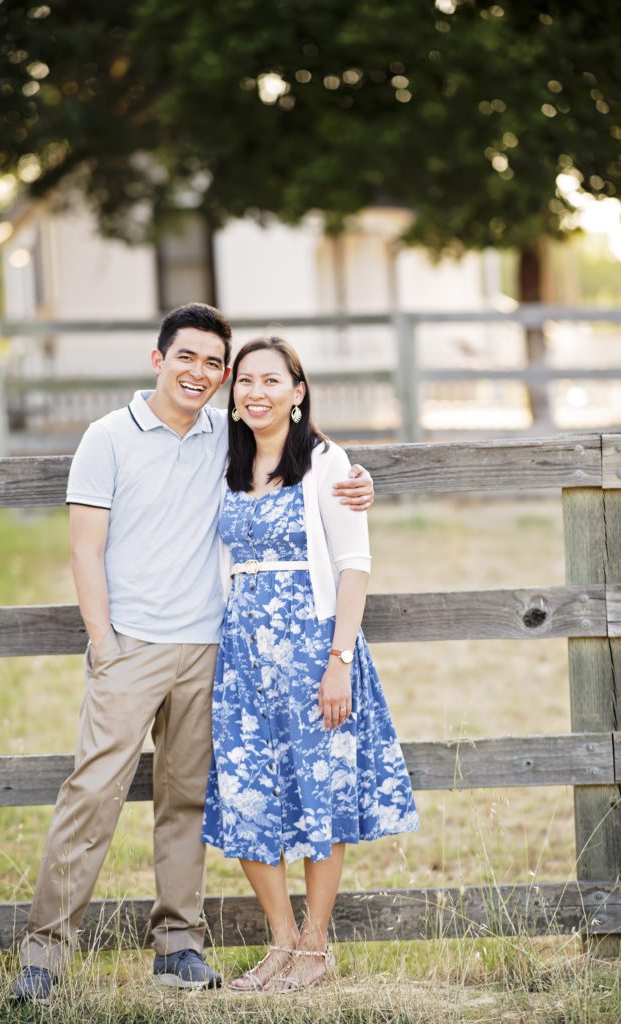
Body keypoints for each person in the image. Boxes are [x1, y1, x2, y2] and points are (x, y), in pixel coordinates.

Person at [11, 303, 374, 1003]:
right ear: (158, 359)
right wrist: (103, 644)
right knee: (91, 796)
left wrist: (360, 483)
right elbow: (84, 549)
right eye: (188, 358)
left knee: (186, 802)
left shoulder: (227, 434)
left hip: (213, 649)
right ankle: (44, 955)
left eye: (216, 364)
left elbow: (304, 461)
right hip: (133, 647)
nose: (202, 374)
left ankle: (178, 944)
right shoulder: (107, 438)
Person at [202, 336, 419, 991]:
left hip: (314, 657)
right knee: (247, 800)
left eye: (272, 380)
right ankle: (282, 943)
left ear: (299, 392)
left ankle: (317, 948)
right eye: (244, 381)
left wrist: (339, 662)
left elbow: (354, 565)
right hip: (242, 662)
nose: (256, 392)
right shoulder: (220, 458)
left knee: (318, 794)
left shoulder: (327, 463)